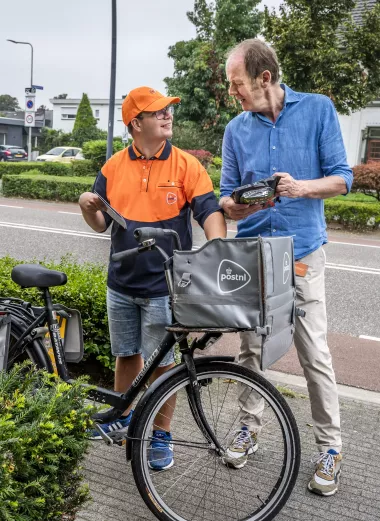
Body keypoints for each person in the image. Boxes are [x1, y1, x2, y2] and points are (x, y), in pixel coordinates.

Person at [219, 39, 352, 496]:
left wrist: (301, 188)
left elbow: (342, 178)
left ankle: (330, 450)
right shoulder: (236, 129)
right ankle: (249, 428)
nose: (233, 93)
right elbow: (226, 193)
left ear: (264, 79)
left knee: (314, 354)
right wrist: (233, 207)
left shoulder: (318, 110)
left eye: (238, 84)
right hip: (254, 255)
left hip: (302, 255)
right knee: (251, 350)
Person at [79, 86, 226, 470]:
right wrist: (86, 207)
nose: (167, 115)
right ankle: (122, 417)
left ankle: (161, 436)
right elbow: (99, 225)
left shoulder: (185, 165)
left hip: (165, 286)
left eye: (168, 110)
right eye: (158, 111)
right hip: (121, 283)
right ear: (135, 123)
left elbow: (208, 211)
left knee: (164, 366)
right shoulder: (113, 167)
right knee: (125, 354)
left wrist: (217, 249)